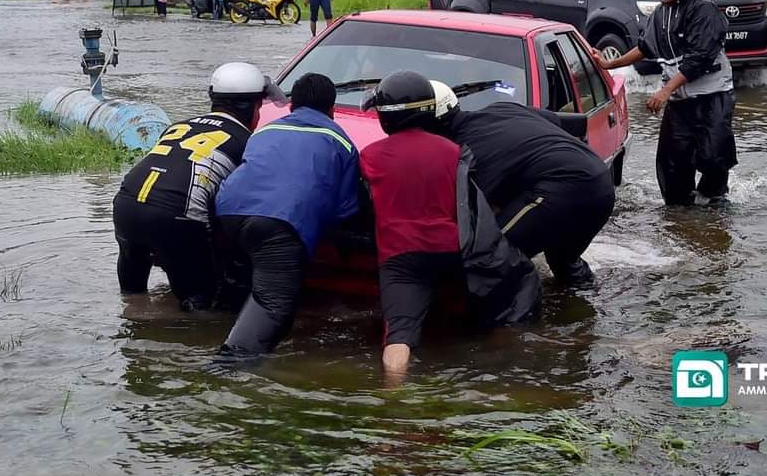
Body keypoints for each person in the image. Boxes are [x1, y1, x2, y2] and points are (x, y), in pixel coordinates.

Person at [360, 72, 540, 376]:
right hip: (452, 251)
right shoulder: (454, 152)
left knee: (398, 337)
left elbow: (361, 206)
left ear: (386, 117)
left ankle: (393, 397)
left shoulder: (370, 155)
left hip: (401, 258)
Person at [112, 62, 286, 311]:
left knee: (132, 298)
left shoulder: (178, 126)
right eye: (259, 107)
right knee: (201, 305)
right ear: (249, 107)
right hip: (176, 214)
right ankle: (194, 347)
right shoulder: (248, 142)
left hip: (126, 204)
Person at [214, 73, 359, 355]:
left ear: (292, 106)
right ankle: (229, 367)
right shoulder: (340, 141)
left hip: (227, 211)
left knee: (245, 284)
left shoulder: (265, 130)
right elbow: (345, 209)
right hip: (279, 222)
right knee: (274, 306)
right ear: (332, 109)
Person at [428, 83, 615, 288]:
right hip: (601, 183)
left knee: (490, 257)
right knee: (564, 262)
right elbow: (555, 121)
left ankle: (522, 318)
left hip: (563, 189)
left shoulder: (466, 153)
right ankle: (588, 305)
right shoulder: (503, 108)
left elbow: (468, 216)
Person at [598, 0, 737, 206]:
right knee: (672, 164)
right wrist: (611, 63)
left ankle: (715, 204)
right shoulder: (660, 15)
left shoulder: (703, 10)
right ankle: (680, 214)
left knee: (714, 156)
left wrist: (664, 91)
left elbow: (699, 59)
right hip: (679, 101)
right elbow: (645, 47)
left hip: (712, 97)